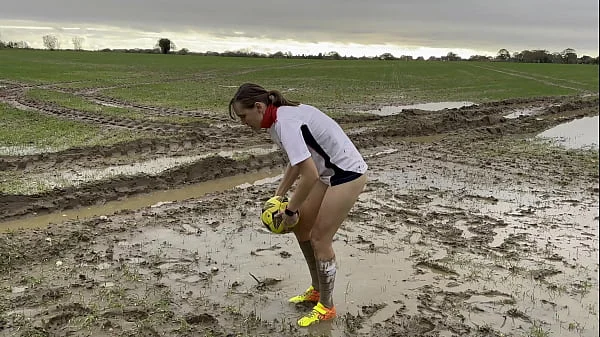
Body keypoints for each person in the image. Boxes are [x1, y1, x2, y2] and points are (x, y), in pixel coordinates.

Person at [228, 83, 368, 327]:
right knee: (302, 229)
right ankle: (316, 290)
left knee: (319, 239)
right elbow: (297, 162)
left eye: (243, 116)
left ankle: (327, 307)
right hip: (328, 174)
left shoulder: (285, 123)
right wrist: (278, 196)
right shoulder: (276, 120)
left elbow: (310, 175)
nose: (243, 122)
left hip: (347, 174)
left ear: (259, 107)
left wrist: (291, 210)